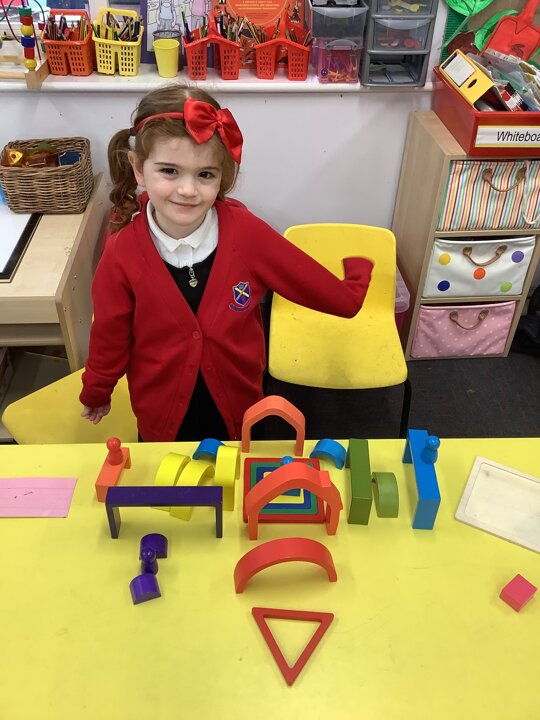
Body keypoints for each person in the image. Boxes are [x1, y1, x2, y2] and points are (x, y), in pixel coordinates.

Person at [80, 84, 374, 442]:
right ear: (139, 169)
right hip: (161, 413)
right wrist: (97, 389)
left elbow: (314, 285)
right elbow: (109, 334)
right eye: (169, 171)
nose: (188, 190)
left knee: (240, 474)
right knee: (170, 476)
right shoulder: (122, 251)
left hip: (239, 407)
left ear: (222, 176)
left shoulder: (246, 234)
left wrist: (355, 281)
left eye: (205, 174)